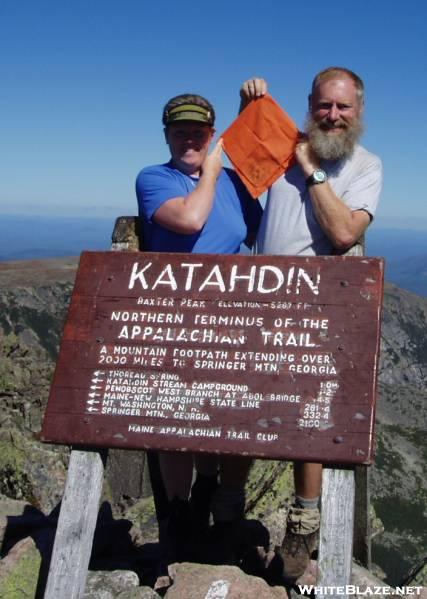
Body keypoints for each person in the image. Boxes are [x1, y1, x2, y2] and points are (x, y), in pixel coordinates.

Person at [240, 67, 382, 584]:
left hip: (318, 308)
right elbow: (245, 162)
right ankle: (229, 511)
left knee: (308, 413)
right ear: (310, 105)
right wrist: (248, 105)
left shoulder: (366, 165)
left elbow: (345, 232)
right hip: (255, 303)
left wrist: (311, 169)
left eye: (343, 107)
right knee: (242, 400)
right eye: (325, 105)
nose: (334, 116)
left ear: (359, 111)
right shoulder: (283, 147)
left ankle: (303, 523)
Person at [135, 93, 263, 585]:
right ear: (166, 134)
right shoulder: (156, 178)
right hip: (172, 320)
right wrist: (212, 170)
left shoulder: (236, 185)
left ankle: (212, 499)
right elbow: (188, 219)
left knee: (223, 409)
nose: (190, 138)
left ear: (213, 134)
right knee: (174, 417)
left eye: (200, 131)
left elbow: (261, 236)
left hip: (229, 319)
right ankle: (180, 515)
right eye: (180, 130)